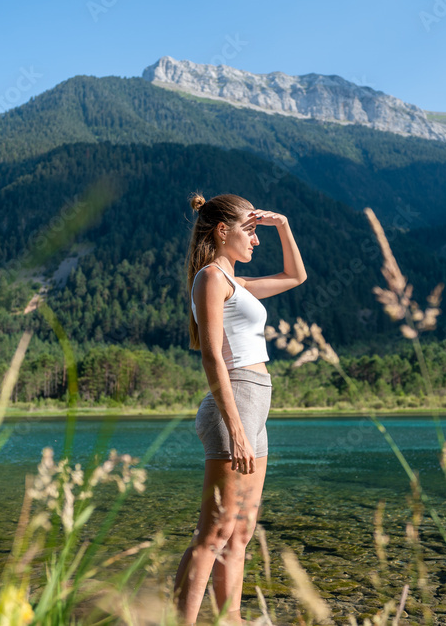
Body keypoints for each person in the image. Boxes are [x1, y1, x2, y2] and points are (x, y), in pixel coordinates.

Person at [173, 192, 307, 624]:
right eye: (250, 231)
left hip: (255, 404)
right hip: (236, 404)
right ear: (222, 231)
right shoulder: (210, 278)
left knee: (241, 534)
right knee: (212, 534)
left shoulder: (238, 283)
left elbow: (295, 276)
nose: (256, 240)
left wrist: (281, 224)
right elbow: (212, 356)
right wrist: (236, 429)